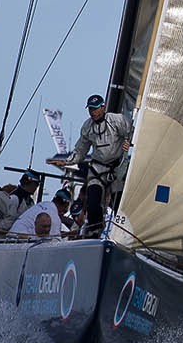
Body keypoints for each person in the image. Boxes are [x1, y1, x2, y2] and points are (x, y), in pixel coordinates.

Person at [50, 93, 133, 236]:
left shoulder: (116, 120)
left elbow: (131, 131)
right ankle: (95, 229)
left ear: (103, 107)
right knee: (93, 202)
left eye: (95, 108)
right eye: (90, 109)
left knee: (118, 202)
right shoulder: (87, 126)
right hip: (97, 168)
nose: (93, 112)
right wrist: (68, 161)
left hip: (117, 167)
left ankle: (127, 230)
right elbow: (81, 149)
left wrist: (128, 142)